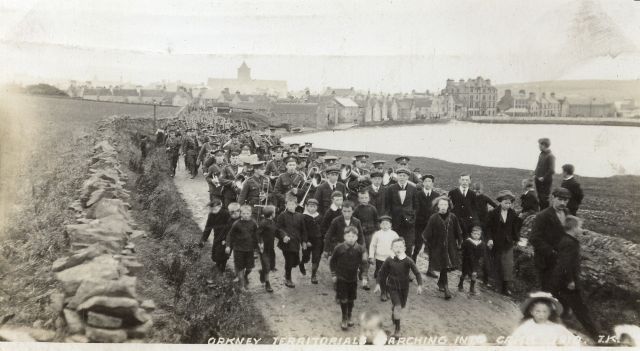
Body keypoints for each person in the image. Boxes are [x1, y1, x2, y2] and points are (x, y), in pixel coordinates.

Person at [550, 215, 600, 341]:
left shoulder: (565, 239)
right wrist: (570, 280)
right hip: (567, 282)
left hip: (560, 280)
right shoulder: (570, 243)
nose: (580, 229)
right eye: (579, 227)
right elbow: (566, 264)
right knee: (581, 309)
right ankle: (597, 337)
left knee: (564, 308)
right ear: (573, 228)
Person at [375, 238, 423, 338]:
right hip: (392, 287)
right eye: (396, 246)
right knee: (398, 306)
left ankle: (394, 312)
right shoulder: (389, 260)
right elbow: (381, 272)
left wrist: (419, 285)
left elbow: (417, 273)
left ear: (404, 248)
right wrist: (378, 284)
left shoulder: (408, 260)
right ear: (392, 248)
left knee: (400, 306)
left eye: (400, 246)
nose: (398, 248)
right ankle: (397, 329)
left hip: (404, 288)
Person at [529, 187, 571, 292]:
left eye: (565, 200)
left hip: (561, 260)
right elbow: (534, 238)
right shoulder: (542, 216)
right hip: (546, 261)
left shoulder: (566, 212)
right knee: (547, 290)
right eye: (560, 199)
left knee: (560, 290)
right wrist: (551, 252)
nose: (563, 203)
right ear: (553, 198)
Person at [422, 196, 462, 300]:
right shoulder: (433, 218)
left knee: (445, 266)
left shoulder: (453, 217)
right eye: (441, 204)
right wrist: (428, 245)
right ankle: (446, 287)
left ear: (448, 206)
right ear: (437, 206)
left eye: (445, 204)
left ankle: (442, 283)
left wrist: (459, 242)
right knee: (443, 265)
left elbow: (458, 231)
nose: (443, 207)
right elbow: (427, 233)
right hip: (438, 246)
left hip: (450, 246)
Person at [329, 226, 369, 331]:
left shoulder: (361, 249)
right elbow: (332, 262)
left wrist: (364, 276)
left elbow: (365, 263)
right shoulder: (339, 248)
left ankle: (350, 315)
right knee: (343, 298)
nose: (351, 238)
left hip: (353, 278)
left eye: (353, 236)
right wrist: (334, 275)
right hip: (341, 277)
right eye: (348, 236)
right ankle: (344, 318)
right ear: (344, 236)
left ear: (357, 237)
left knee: (351, 299)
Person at [507, 292, 580, 346]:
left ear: (549, 313)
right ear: (532, 312)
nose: (541, 314)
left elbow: (572, 342)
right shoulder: (525, 327)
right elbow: (513, 343)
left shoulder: (556, 327)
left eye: (545, 312)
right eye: (537, 311)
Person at [485, 190, 522, 296]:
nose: (508, 205)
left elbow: (515, 227)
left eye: (510, 203)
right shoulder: (493, 213)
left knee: (508, 265)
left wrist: (517, 238)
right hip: (496, 243)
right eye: (506, 202)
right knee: (496, 263)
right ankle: (494, 284)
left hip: (508, 243)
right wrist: (489, 239)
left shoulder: (512, 213)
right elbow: (488, 228)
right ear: (500, 202)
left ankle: (505, 288)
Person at [385, 167, 419, 256]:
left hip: (409, 223)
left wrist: (412, 218)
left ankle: (406, 266)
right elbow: (387, 206)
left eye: (404, 176)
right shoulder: (391, 188)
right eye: (400, 175)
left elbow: (416, 206)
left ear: (407, 177)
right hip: (395, 222)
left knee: (408, 246)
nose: (402, 177)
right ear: (397, 176)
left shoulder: (413, 188)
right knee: (394, 244)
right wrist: (389, 220)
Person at [224, 205, 259, 289]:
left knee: (249, 268)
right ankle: (242, 285)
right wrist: (228, 246)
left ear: (250, 213)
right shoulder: (236, 224)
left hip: (249, 249)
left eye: (247, 213)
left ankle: (245, 276)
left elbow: (257, 234)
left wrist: (259, 244)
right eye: (243, 213)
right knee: (240, 267)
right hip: (238, 249)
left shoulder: (253, 223)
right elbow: (230, 235)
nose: (245, 215)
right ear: (240, 213)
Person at [276, 196, 308, 288]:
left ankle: (298, 264)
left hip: (296, 242)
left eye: (292, 204)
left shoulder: (300, 216)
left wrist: (304, 241)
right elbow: (278, 228)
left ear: (296, 205)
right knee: (289, 261)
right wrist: (284, 235)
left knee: (295, 261)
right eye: (288, 204)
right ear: (286, 205)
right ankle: (288, 278)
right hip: (286, 243)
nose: (290, 206)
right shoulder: (282, 215)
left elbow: (304, 230)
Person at [369, 215, 399, 301]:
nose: (385, 226)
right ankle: (383, 292)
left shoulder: (394, 234)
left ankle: (388, 290)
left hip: (391, 258)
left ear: (390, 225)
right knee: (382, 275)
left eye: (387, 224)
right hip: (380, 258)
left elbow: (398, 246)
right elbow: (373, 245)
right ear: (380, 225)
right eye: (383, 224)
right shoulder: (377, 234)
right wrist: (371, 256)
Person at [413, 174, 438, 274]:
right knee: (417, 246)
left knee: (431, 247)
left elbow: (437, 210)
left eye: (430, 181)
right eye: (426, 181)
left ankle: (430, 269)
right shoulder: (418, 194)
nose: (428, 183)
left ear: (432, 183)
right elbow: (416, 209)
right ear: (423, 183)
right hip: (419, 224)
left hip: (431, 225)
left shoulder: (436, 196)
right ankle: (412, 267)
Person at [199, 200, 231, 274]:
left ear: (220, 207)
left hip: (226, 236)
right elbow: (208, 228)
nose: (213, 211)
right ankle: (218, 266)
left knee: (223, 254)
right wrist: (203, 239)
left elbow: (231, 228)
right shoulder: (211, 215)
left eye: (215, 209)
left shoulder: (226, 214)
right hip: (217, 235)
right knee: (215, 254)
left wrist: (226, 239)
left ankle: (221, 270)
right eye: (211, 209)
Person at [210, 202, 240, 274]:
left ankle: (222, 269)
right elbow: (225, 230)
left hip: (235, 241)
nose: (233, 214)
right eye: (231, 212)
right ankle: (219, 267)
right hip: (227, 239)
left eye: (235, 212)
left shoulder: (240, 220)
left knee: (229, 255)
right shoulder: (229, 220)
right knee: (222, 253)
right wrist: (224, 239)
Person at [448, 173, 478, 239]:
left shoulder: (472, 194)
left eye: (467, 180)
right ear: (459, 181)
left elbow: (475, 208)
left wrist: (472, 218)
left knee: (466, 239)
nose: (464, 182)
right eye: (463, 180)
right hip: (455, 220)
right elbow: (449, 207)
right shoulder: (452, 192)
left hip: (468, 221)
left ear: (470, 181)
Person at [301, 198, 323, 283]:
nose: (312, 208)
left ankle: (313, 275)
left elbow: (322, 229)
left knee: (316, 257)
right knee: (306, 257)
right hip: (307, 241)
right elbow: (303, 231)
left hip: (318, 241)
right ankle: (302, 263)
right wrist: (306, 241)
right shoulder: (303, 217)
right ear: (306, 207)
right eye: (310, 206)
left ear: (317, 207)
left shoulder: (320, 217)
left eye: (314, 206)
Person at [458, 226, 485, 295]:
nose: (476, 236)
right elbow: (462, 247)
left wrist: (481, 258)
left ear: (480, 235)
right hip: (467, 260)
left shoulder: (481, 243)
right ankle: (460, 284)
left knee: (474, 274)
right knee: (464, 273)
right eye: (475, 234)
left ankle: (472, 288)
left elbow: (482, 253)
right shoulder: (468, 241)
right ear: (471, 234)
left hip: (475, 261)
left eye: (478, 234)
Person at [257, 205, 278, 292]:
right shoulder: (263, 223)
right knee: (267, 266)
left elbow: (276, 232)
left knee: (272, 265)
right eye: (274, 212)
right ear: (271, 214)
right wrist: (260, 243)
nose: (275, 214)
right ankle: (267, 283)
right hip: (264, 249)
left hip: (271, 248)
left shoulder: (272, 222)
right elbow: (258, 234)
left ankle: (262, 272)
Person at [353, 190, 379, 255]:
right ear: (358, 199)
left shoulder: (373, 208)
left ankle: (371, 261)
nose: (364, 200)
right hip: (361, 233)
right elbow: (355, 222)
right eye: (362, 198)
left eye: (366, 198)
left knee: (371, 247)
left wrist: (376, 231)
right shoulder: (356, 210)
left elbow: (376, 221)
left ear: (369, 198)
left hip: (371, 233)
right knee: (362, 249)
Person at [534, 138, 555, 209]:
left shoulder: (551, 156)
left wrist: (543, 177)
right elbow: (538, 165)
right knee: (540, 197)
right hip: (538, 180)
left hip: (545, 181)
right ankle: (541, 214)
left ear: (544, 145)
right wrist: (535, 174)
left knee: (544, 199)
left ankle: (545, 214)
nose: (539, 146)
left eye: (540, 145)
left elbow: (552, 170)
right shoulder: (541, 154)